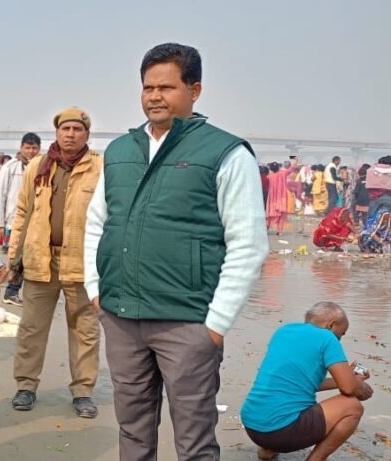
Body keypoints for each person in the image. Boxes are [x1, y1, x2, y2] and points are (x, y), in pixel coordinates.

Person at [84, 43, 268, 460]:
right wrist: (96, 290)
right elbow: (97, 223)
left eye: (166, 87)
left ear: (194, 90)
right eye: (148, 87)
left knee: (194, 439)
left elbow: (248, 244)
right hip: (122, 318)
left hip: (187, 323)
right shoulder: (120, 152)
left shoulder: (225, 152)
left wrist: (215, 324)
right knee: (132, 432)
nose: (154, 97)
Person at [7, 107, 102, 418]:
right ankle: (26, 386)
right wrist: (14, 257)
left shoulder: (99, 168)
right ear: (57, 133)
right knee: (31, 328)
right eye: (65, 129)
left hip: (82, 262)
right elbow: (23, 211)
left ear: (87, 134)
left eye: (77, 129)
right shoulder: (39, 165)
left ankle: (83, 391)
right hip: (40, 259)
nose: (70, 134)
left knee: (84, 330)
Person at [241, 302, 372, 460]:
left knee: (280, 402)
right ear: (332, 325)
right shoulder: (327, 338)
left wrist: (346, 377)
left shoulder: (284, 331)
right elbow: (349, 389)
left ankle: (267, 451)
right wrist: (362, 387)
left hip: (252, 425)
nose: (339, 339)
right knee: (353, 406)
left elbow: (302, 383)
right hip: (281, 431)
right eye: (341, 334)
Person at [0, 133, 41, 306]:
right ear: (21, 148)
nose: (31, 151)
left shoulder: (43, 166)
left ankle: (21, 292)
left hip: (37, 221)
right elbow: (0, 195)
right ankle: (11, 291)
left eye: (34, 148)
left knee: (32, 257)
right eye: (27, 148)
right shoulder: (10, 167)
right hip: (14, 221)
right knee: (17, 257)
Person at [266, 158, 298, 234]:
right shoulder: (283, 173)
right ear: (278, 168)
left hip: (272, 198)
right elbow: (292, 168)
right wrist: (296, 161)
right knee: (282, 215)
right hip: (282, 197)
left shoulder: (269, 177)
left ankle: (266, 229)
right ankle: (280, 231)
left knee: (270, 215)